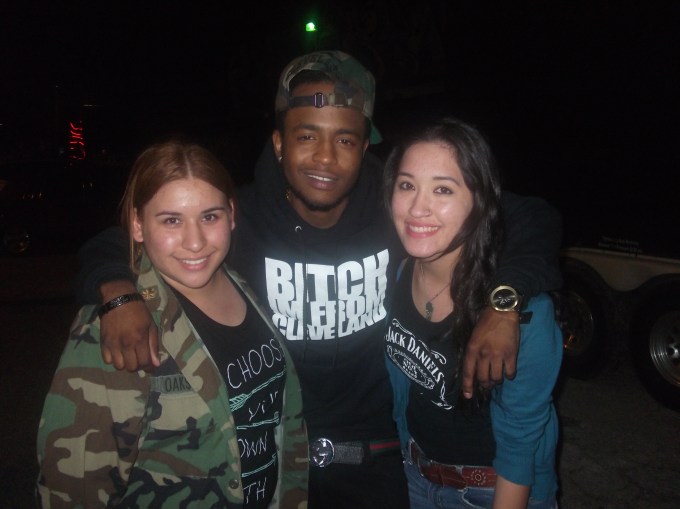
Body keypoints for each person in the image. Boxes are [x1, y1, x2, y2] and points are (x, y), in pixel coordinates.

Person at [74, 50, 563, 508]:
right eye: (307, 136)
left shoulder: (399, 209)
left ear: (364, 146)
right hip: (285, 463)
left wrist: (504, 300)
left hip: (383, 466)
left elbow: (527, 218)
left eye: (345, 140)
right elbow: (127, 238)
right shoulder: (242, 219)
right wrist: (117, 291)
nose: (325, 158)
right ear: (279, 142)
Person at [36, 141, 308, 508]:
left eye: (209, 217)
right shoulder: (114, 329)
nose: (195, 243)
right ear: (137, 224)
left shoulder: (242, 284)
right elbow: (74, 487)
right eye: (171, 220)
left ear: (231, 214)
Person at [383, 117, 562, 508]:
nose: (417, 208)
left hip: (490, 490)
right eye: (407, 185)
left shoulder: (525, 316)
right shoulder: (398, 274)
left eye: (443, 189)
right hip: (414, 473)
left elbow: (519, 446)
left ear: (479, 203)